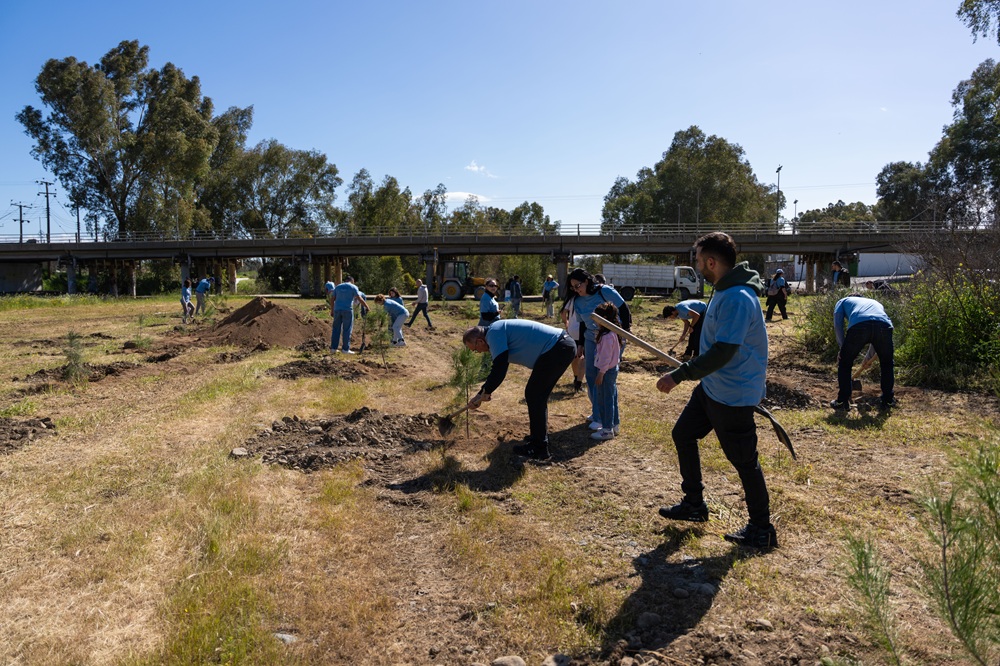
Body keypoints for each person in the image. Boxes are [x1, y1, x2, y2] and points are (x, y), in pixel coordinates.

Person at [655, 232, 777, 550]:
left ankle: (762, 529)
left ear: (711, 261)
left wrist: (681, 374)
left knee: (745, 462)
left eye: (698, 260)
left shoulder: (737, 296)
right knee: (683, 434)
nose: (696, 266)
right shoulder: (723, 291)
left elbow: (724, 351)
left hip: (733, 394)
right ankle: (694, 504)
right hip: (713, 388)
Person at [463, 320, 576, 460]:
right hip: (560, 346)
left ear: (480, 341)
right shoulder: (496, 330)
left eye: (475, 349)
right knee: (536, 396)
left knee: (534, 395)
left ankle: (539, 448)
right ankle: (537, 438)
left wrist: (484, 393)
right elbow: (500, 367)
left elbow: (499, 368)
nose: (478, 352)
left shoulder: (493, 333)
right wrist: (484, 392)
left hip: (558, 347)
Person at [566, 267, 631, 432]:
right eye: (572, 287)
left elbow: (624, 310)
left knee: (607, 377)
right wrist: (580, 344)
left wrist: (623, 334)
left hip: (610, 339)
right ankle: (598, 412)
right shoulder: (578, 301)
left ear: (587, 281)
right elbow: (582, 324)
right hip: (590, 340)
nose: (576, 289)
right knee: (592, 376)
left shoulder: (605, 292)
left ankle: (608, 419)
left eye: (577, 285)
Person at [831, 294, 895, 410]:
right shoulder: (875, 302)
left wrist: (842, 348)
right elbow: (875, 327)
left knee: (845, 363)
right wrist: (868, 357)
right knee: (887, 363)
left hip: (860, 325)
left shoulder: (842, 301)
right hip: (884, 327)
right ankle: (888, 400)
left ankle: (842, 402)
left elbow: (838, 325)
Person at [591, 302, 623, 441]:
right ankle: (614, 425)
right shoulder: (612, 332)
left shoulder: (607, 336)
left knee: (605, 399)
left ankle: (607, 430)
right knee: (611, 397)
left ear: (603, 318)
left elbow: (605, 357)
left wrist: (601, 373)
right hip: (611, 369)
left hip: (606, 371)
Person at [330, 275, 368, 354]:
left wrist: (332, 310)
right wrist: (366, 306)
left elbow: (332, 299)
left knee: (336, 329)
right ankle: (345, 349)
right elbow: (359, 298)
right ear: (352, 281)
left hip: (337, 310)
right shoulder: (353, 287)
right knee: (347, 330)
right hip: (347, 310)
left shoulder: (338, 287)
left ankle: (333, 348)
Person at [561, 296, 586, 393]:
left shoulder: (571, 299)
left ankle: (576, 378)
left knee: (575, 357)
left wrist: (566, 323)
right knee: (583, 357)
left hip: (572, 331)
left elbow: (563, 313)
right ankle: (579, 381)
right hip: (583, 330)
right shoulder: (588, 298)